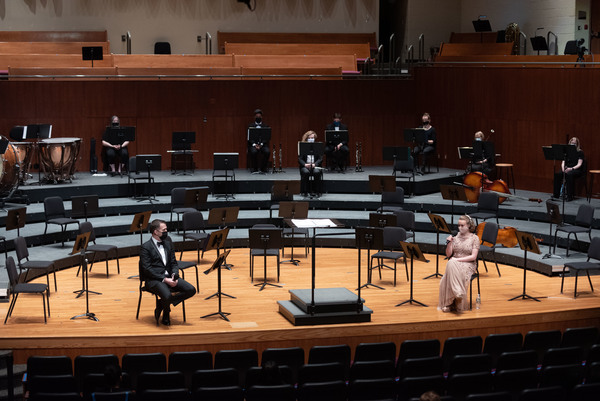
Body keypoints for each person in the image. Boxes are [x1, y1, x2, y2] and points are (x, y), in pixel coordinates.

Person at [139, 219, 196, 325]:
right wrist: (165, 279)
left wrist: (174, 274)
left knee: (191, 290)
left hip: (169, 276)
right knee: (167, 295)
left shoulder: (168, 244)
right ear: (155, 232)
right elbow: (147, 269)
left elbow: (174, 263)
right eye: (164, 230)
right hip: (154, 279)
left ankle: (161, 304)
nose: (166, 232)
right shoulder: (146, 247)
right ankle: (166, 313)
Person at [438, 215, 480, 313]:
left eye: (462, 225)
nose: (460, 228)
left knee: (451, 264)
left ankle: (449, 303)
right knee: (450, 263)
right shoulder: (455, 237)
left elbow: (473, 257)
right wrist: (449, 243)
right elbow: (448, 254)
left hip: (468, 264)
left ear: (469, 226)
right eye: (458, 225)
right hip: (454, 263)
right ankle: (457, 294)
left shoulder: (475, 238)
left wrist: (457, 260)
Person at [553, 136, 585, 201]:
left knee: (569, 175)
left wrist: (571, 169)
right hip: (567, 168)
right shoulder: (567, 152)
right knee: (558, 174)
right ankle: (556, 195)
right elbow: (563, 162)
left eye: (574, 143)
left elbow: (579, 164)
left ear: (577, 144)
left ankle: (569, 196)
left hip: (576, 169)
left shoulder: (580, 152)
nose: (573, 144)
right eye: (572, 143)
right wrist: (563, 168)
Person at [299, 130, 323, 197]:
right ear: (307, 138)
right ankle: (305, 191)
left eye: (312, 138)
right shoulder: (303, 146)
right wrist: (305, 164)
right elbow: (300, 159)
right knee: (306, 172)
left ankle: (317, 191)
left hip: (315, 166)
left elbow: (320, 159)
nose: (311, 139)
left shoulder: (318, 146)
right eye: (309, 138)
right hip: (306, 166)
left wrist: (315, 164)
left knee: (316, 172)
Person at [247, 108, 270, 173]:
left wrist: (261, 144)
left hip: (263, 145)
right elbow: (249, 138)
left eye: (259, 116)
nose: (258, 117)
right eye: (257, 116)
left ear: (261, 117)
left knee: (267, 152)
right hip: (253, 145)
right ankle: (255, 168)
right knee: (253, 152)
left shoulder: (265, 126)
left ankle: (263, 168)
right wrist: (254, 145)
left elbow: (266, 138)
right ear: (255, 117)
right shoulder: (250, 126)